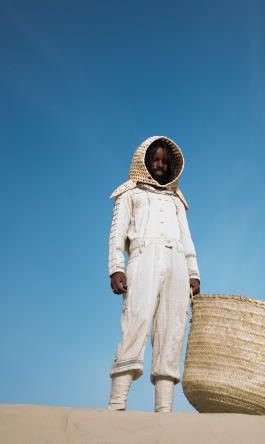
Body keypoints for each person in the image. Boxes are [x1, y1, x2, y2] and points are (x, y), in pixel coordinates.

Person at [107, 136, 201, 413]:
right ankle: (116, 404)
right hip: (142, 258)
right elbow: (117, 234)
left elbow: (187, 237)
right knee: (135, 323)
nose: (160, 164)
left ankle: (164, 411)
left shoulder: (176, 199)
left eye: (164, 161)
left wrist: (193, 272)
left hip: (177, 265)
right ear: (145, 162)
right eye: (155, 160)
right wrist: (116, 267)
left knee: (172, 331)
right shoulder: (129, 193)